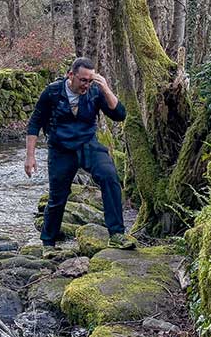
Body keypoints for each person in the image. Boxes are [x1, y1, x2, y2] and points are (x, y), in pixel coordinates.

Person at [24, 57, 136, 252]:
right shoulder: (52, 92)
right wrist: (30, 156)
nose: (86, 84)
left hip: (88, 144)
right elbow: (34, 123)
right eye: (83, 80)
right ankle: (48, 244)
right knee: (58, 196)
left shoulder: (95, 91)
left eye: (90, 80)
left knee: (109, 176)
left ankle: (117, 234)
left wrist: (106, 88)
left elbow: (120, 115)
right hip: (60, 149)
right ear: (71, 75)